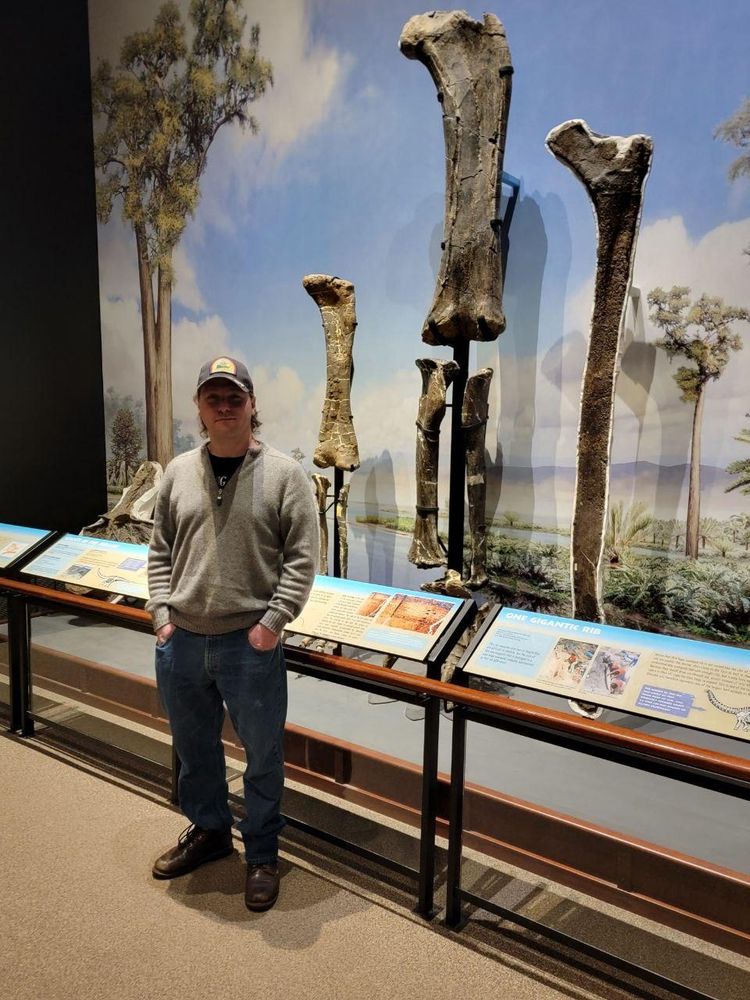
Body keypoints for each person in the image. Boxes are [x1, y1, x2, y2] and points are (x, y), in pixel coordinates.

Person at [146, 356, 318, 911]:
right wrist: (161, 617)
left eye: (234, 398)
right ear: (199, 408)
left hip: (250, 645)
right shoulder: (176, 473)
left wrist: (272, 625)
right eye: (213, 398)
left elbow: (300, 560)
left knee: (263, 755)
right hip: (183, 644)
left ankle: (263, 853)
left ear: (251, 406)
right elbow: (159, 553)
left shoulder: (286, 476)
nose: (224, 407)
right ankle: (210, 830)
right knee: (194, 750)